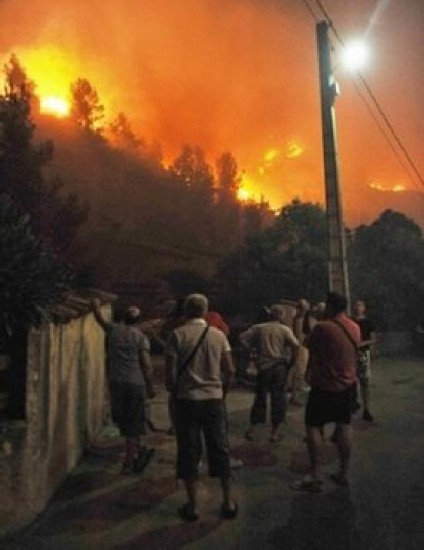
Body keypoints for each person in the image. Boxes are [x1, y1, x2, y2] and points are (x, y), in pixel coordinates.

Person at [164, 293, 237, 521]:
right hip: (213, 399)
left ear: (186, 311)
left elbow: (169, 375)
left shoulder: (176, 335)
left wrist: (176, 393)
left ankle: (193, 505)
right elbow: (230, 370)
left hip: (187, 400)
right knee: (219, 448)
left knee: (188, 449)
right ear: (205, 311)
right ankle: (227, 501)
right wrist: (221, 391)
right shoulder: (218, 336)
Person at [291, 292, 360, 491]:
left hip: (325, 386)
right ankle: (343, 472)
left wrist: (300, 316)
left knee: (312, 426)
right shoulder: (354, 327)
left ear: (330, 306)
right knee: (344, 426)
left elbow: (303, 342)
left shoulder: (323, 327)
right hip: (347, 386)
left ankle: (315, 473)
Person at [91, 299, 156, 474]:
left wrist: (95, 306)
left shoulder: (113, 331)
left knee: (124, 421)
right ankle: (129, 460)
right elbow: (147, 365)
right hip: (135, 383)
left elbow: (99, 319)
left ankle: (133, 451)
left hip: (116, 383)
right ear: (138, 321)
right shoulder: (141, 338)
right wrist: (150, 387)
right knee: (134, 422)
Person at [240, 304, 299, 443]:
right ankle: (274, 432)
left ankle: (252, 429)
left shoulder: (259, 328)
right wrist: (291, 362)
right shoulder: (285, 329)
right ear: (281, 315)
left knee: (260, 397)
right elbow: (296, 345)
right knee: (278, 398)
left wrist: (250, 349)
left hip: (263, 366)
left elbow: (242, 338)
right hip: (279, 366)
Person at [352, 300, 377, 421]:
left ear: (364, 308)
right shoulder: (350, 321)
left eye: (360, 305)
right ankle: (354, 403)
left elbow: (373, 339)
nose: (357, 307)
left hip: (363, 354)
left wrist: (362, 344)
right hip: (351, 353)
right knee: (351, 381)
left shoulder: (368, 322)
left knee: (365, 382)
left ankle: (366, 409)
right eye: (356, 305)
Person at [288, 299, 310, 406]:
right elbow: (299, 335)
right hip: (301, 347)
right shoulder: (298, 318)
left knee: (300, 371)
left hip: (301, 347)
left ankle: (296, 395)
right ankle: (294, 396)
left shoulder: (300, 317)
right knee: (298, 372)